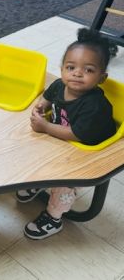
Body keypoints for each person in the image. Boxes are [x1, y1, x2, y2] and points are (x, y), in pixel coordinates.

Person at [18, 28, 118, 240]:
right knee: (36, 157)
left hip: (88, 152)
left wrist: (44, 127)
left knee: (63, 183)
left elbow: (77, 134)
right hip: (62, 140)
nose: (77, 73)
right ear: (62, 68)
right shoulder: (59, 85)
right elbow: (46, 97)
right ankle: (39, 183)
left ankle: (53, 218)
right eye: (71, 67)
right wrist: (39, 107)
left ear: (102, 78)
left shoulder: (94, 105)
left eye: (88, 70)